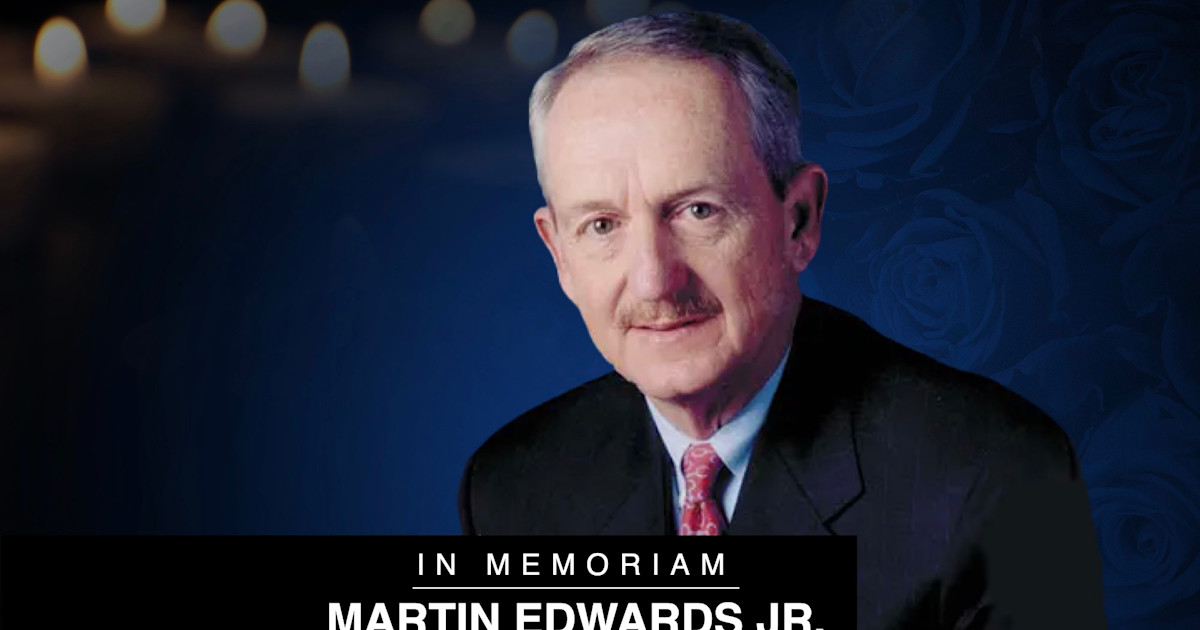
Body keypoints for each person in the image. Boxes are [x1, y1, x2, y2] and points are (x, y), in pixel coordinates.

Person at [458, 11, 1106, 630]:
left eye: (698, 211)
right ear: (559, 254)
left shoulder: (995, 479)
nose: (655, 280)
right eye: (602, 225)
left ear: (799, 220)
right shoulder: (513, 490)